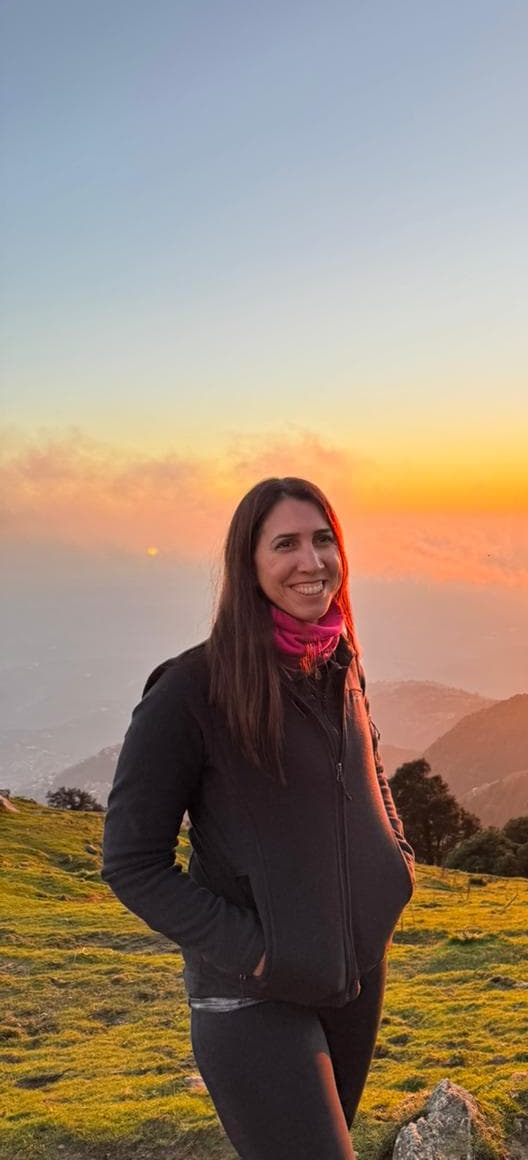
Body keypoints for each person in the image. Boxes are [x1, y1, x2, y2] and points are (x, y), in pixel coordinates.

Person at [101, 477, 416, 1159]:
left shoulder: (336, 659)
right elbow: (132, 862)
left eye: (323, 538)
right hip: (251, 999)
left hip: (352, 977)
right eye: (286, 544)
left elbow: (371, 763)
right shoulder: (191, 689)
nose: (312, 561)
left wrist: (395, 863)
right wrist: (257, 951)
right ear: (250, 563)